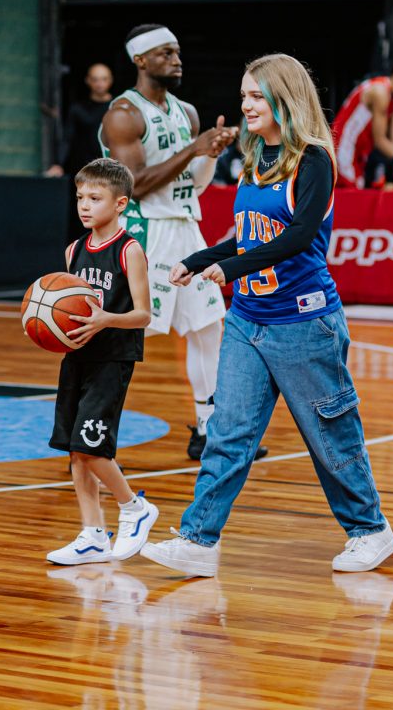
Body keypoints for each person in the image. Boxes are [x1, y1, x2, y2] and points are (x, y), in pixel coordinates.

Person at [141, 53, 393, 578]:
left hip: (304, 323)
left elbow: (299, 236)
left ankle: (370, 530)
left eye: (257, 96)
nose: (246, 105)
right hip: (247, 320)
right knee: (227, 433)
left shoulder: (314, 159)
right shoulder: (255, 157)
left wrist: (231, 268)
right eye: (244, 96)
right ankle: (198, 540)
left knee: (330, 435)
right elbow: (248, 235)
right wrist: (200, 259)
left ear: (285, 97)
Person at [98, 24, 252, 462]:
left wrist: (209, 155)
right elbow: (134, 185)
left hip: (186, 227)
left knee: (208, 328)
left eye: (178, 52)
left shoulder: (187, 112)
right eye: (166, 53)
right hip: (145, 232)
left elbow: (193, 185)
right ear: (140, 60)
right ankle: (92, 425)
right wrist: (193, 150)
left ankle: (209, 431)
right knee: (126, 334)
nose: (176, 60)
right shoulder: (123, 114)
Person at [46, 157, 159, 566]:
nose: (84, 205)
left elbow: (144, 314)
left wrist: (105, 319)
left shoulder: (129, 250)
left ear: (120, 203)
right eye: (80, 197)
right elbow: (67, 307)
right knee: (75, 451)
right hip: (77, 356)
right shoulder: (73, 249)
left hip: (112, 358)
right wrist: (47, 326)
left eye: (95, 198)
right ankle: (92, 535)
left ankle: (134, 507)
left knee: (91, 448)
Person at [331, 59, 393, 189]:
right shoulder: (380, 92)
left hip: (362, 151)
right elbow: (380, 141)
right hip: (344, 147)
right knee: (353, 191)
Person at [46, 62, 113, 177]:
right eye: (95, 79)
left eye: (104, 79)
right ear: (88, 80)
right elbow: (67, 139)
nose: (100, 84)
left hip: (112, 169)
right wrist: (58, 164)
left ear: (110, 80)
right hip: (84, 170)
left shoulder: (118, 107)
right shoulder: (78, 109)